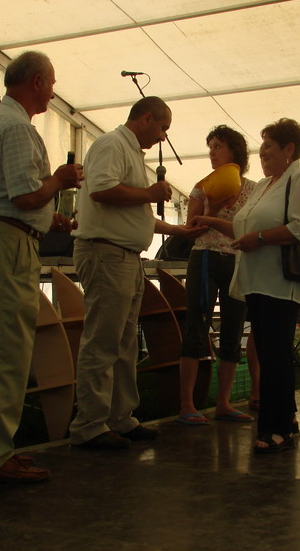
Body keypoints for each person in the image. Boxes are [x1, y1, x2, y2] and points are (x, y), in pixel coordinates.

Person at [0, 51, 83, 483]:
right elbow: (24, 195)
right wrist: (60, 180)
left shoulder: (1, 121)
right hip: (5, 243)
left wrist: (49, 218)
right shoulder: (15, 126)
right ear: (36, 82)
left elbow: (17, 198)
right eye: (51, 83)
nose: (53, 92)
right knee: (4, 349)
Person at [69, 96, 205, 449]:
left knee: (126, 342)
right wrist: (148, 192)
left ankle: (120, 418)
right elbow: (102, 190)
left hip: (126, 256)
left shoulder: (129, 152)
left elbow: (136, 215)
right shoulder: (111, 144)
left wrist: (177, 230)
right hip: (105, 253)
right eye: (163, 128)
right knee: (103, 340)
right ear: (146, 118)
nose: (163, 137)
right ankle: (89, 426)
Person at [192, 118, 300, 453]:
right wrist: (210, 220)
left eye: (269, 146)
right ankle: (287, 417)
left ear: (289, 149)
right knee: (267, 350)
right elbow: (241, 227)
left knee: (275, 353)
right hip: (256, 280)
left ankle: (276, 427)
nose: (262, 153)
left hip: (280, 281)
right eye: (261, 146)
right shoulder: (264, 186)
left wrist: (259, 239)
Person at [177, 125, 257, 425]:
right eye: (210, 146)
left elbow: (250, 228)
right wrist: (214, 208)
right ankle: (187, 404)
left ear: (234, 151)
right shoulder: (202, 187)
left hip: (237, 261)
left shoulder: (253, 189)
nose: (212, 152)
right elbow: (190, 230)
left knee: (233, 331)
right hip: (205, 258)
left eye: (218, 146)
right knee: (196, 327)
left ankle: (224, 404)